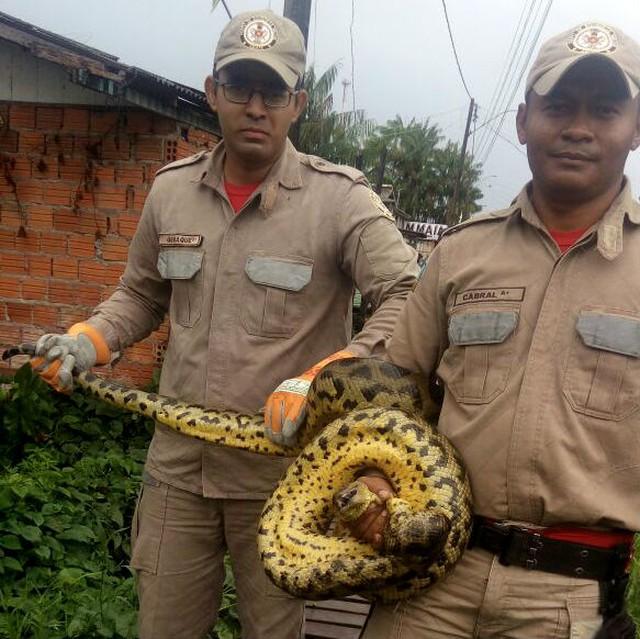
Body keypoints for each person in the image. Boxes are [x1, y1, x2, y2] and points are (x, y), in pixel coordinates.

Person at [29, 9, 420, 639]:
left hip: (286, 477)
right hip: (178, 474)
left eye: (273, 91)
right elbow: (140, 295)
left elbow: (408, 292)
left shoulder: (340, 200)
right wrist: (87, 340)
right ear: (212, 93)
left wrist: (327, 376)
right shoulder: (170, 192)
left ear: (298, 102)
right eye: (239, 87)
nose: (255, 106)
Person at [353, 21, 640, 639]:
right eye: (557, 106)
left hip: (568, 597)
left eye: (605, 109)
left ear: (636, 128)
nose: (578, 127)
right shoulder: (462, 253)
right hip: (431, 576)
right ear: (521, 122)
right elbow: (397, 392)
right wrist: (375, 475)